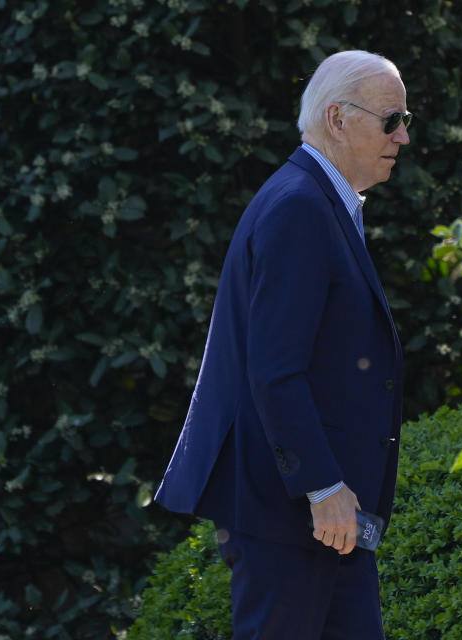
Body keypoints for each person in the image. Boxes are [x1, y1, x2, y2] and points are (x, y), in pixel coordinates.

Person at [153, 49, 410, 639]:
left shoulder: (314, 201)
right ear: (338, 119)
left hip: (321, 514)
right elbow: (274, 369)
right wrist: (323, 487)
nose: (401, 137)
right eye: (390, 120)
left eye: (405, 120)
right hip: (296, 511)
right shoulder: (299, 207)